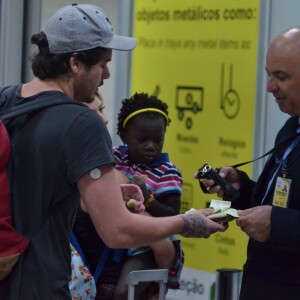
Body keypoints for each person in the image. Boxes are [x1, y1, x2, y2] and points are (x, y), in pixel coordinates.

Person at [0, 4, 226, 300]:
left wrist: (103, 195)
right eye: (102, 64)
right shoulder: (82, 122)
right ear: (75, 63)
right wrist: (188, 222)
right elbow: (117, 231)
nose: (106, 74)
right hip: (39, 284)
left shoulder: (6, 99)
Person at [198, 26, 300, 300]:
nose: (269, 87)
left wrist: (278, 224)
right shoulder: (291, 129)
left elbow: (278, 217)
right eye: (268, 75)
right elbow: (281, 200)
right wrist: (240, 189)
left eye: (281, 77)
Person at [113, 92, 184, 300]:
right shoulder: (115, 156)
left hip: (149, 247)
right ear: (124, 136)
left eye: (157, 139)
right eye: (142, 140)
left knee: (123, 293)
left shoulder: (167, 172)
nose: (151, 146)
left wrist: (148, 197)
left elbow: (172, 217)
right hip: (117, 236)